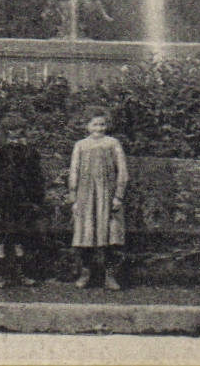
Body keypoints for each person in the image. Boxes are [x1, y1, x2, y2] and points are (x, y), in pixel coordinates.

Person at [68, 105, 129, 290]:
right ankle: (85, 274)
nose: (99, 129)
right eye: (95, 125)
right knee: (85, 235)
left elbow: (123, 171)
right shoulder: (80, 145)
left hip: (107, 197)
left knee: (111, 235)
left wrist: (118, 196)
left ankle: (110, 277)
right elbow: (74, 171)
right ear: (87, 126)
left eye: (102, 125)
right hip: (85, 197)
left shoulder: (112, 143)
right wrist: (74, 198)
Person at [0, 114, 47, 287]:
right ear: (5, 134)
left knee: (21, 238)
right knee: (1, 239)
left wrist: (36, 200)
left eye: (19, 135)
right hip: (2, 202)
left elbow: (36, 178)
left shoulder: (30, 153)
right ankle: (1, 274)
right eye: (12, 135)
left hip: (22, 201)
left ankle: (21, 273)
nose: (16, 139)